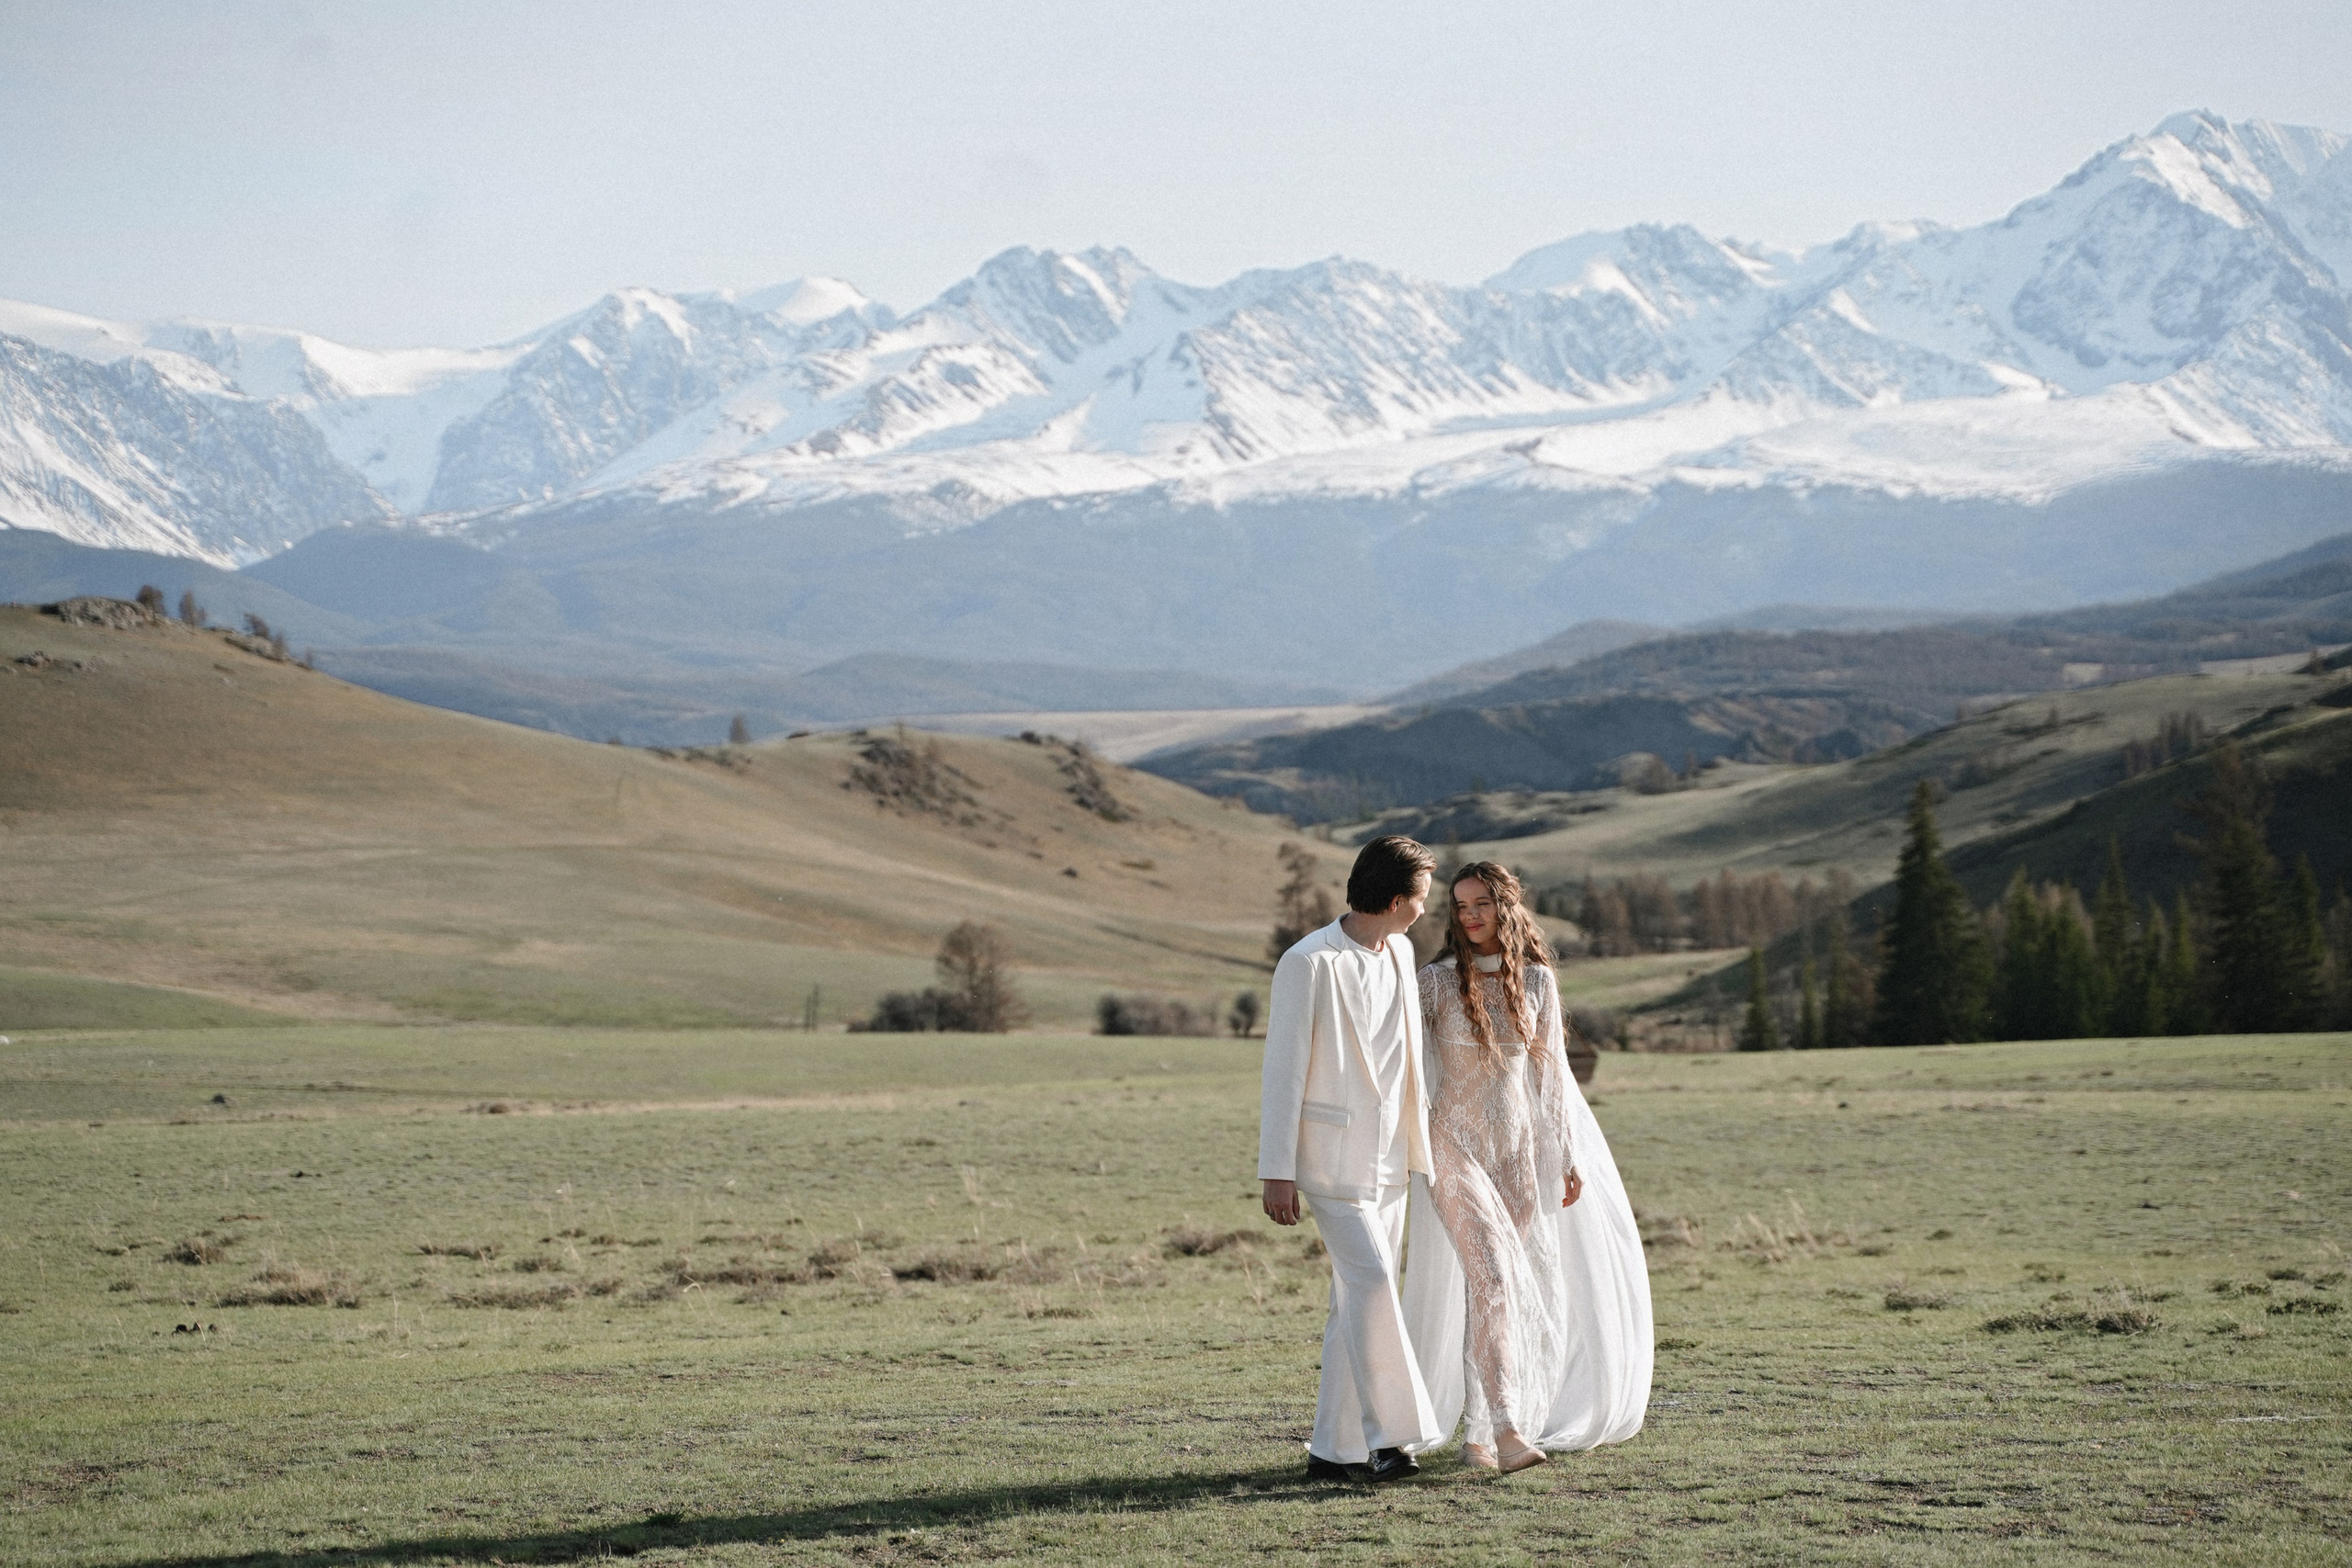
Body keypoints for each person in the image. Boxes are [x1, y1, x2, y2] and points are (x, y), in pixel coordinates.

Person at [1399, 861, 1652, 1472]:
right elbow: (1398, 1057)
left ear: (1506, 906)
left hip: (1516, 1153)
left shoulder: (1537, 981)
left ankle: (1479, 1437)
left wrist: (1564, 1153)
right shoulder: (1434, 982)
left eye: (1481, 903)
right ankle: (1507, 1428)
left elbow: (1552, 1076)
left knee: (1501, 1287)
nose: (1470, 915)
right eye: (1461, 906)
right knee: (1490, 1275)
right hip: (1452, 1145)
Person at [1259, 834, 1444, 1483]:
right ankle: (1393, 1438)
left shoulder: (1402, 951)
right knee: (1372, 1285)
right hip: (1330, 1160)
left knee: (1352, 1302)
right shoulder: (1307, 961)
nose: (1426, 908)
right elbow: (1283, 1070)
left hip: (1393, 1156)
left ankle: (1331, 1451)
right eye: (1422, 896)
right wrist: (1276, 1170)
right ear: (1395, 899)